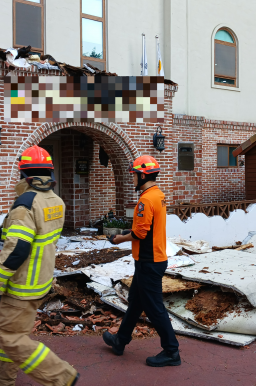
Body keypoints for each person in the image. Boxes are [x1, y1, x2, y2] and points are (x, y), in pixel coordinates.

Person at [0, 145, 79, 386]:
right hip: (41, 280)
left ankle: (62, 377)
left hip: (22, 286)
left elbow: (17, 250)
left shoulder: (25, 204)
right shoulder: (56, 200)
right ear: (49, 173)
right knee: (5, 337)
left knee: (12, 338)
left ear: (24, 173)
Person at [103, 155, 181, 367]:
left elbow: (140, 234)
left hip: (149, 261)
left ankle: (171, 351)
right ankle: (120, 342)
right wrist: (132, 231)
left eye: (134, 175)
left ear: (143, 174)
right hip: (151, 259)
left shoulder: (146, 199)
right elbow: (147, 227)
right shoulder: (158, 195)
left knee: (154, 308)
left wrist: (119, 238)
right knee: (136, 303)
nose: (133, 179)